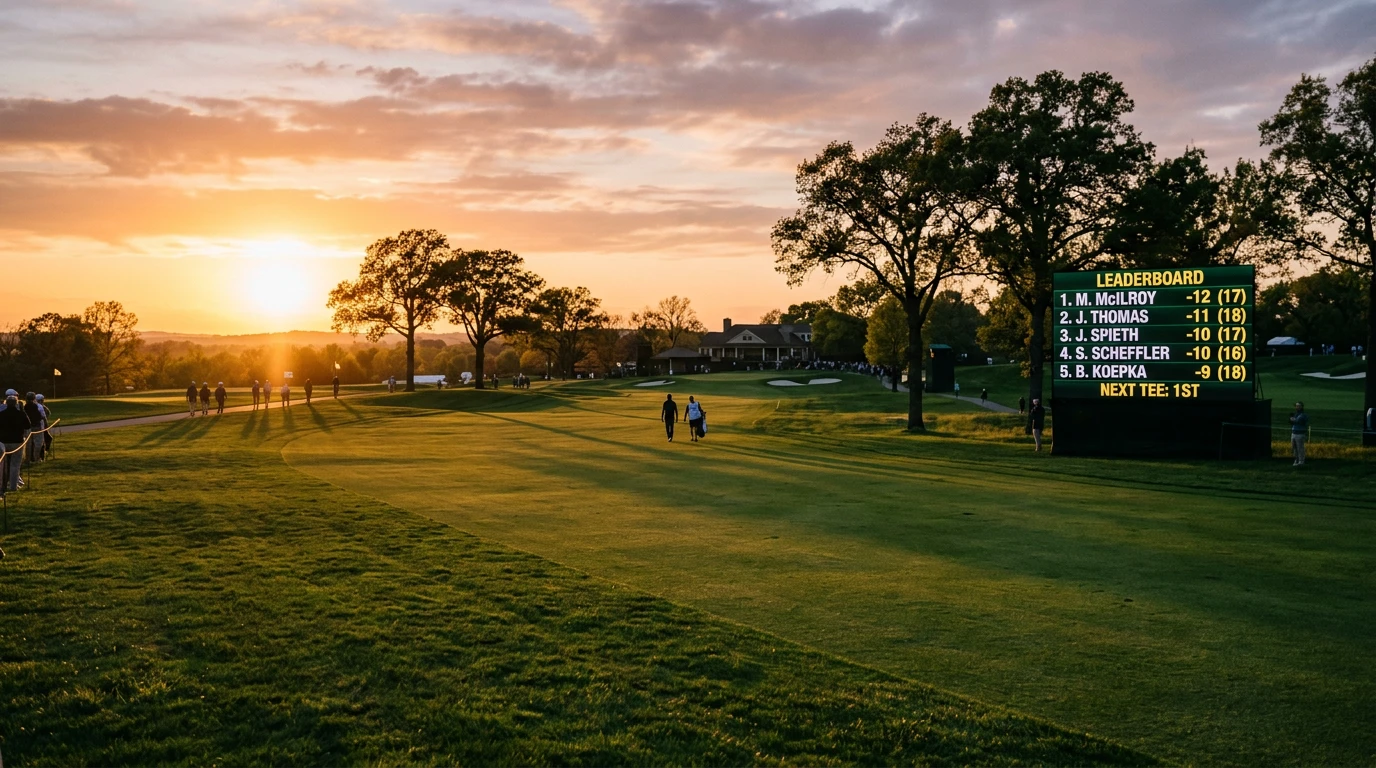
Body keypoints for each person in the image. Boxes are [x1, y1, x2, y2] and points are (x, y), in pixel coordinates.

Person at [0, 390, 32, 495]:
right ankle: (13, 486)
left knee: (3, 466)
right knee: (15, 465)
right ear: (16, 403)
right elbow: (28, 425)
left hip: (3, 442)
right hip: (17, 441)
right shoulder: (21, 414)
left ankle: (2, 486)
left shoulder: (2, 414)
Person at [1290, 401, 1309, 466]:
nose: (1297, 407)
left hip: (1300, 434)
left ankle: (1301, 461)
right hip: (1294, 433)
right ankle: (1296, 459)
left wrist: (1293, 420)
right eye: (1296, 406)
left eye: (1299, 406)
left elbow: (1299, 421)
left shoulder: (1303, 415)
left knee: (1300, 448)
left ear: (1302, 407)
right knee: (1294, 448)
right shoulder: (1296, 414)